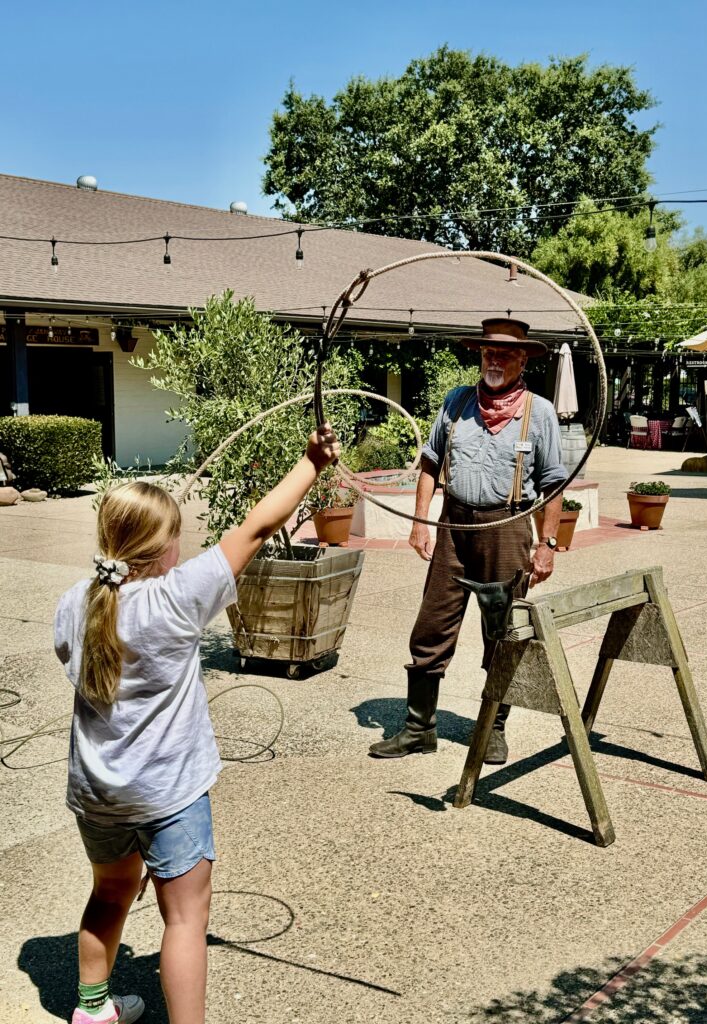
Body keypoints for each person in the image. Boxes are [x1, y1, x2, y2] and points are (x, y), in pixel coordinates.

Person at [54, 425, 339, 1024]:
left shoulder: (75, 601)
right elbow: (256, 529)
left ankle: (90, 1011)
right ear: (163, 549)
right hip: (169, 794)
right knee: (184, 919)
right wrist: (311, 464)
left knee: (109, 894)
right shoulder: (179, 596)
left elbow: (71, 659)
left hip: (98, 793)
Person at [369, 318, 567, 764]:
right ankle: (419, 728)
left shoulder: (540, 413)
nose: (494, 360)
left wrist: (546, 544)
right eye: (487, 353)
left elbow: (554, 485)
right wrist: (421, 521)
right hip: (453, 528)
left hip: (508, 528)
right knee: (431, 625)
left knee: (501, 631)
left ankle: (492, 729)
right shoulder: (457, 402)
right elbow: (430, 462)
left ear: (522, 360)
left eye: (504, 354)